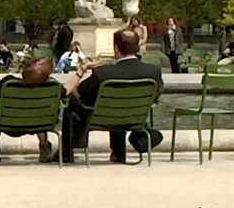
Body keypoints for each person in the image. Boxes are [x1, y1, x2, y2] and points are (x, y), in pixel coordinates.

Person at [61, 28, 163, 163]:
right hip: (134, 117)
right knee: (121, 104)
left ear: (116, 48)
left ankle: (67, 152)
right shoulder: (153, 72)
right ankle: (118, 152)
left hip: (101, 119)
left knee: (73, 103)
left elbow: (82, 92)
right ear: (137, 48)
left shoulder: (103, 73)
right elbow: (157, 94)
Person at [0, 56, 58, 164]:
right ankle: (45, 147)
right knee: (40, 111)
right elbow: (66, 93)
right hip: (39, 125)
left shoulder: (8, 82)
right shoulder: (52, 85)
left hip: (8, 125)